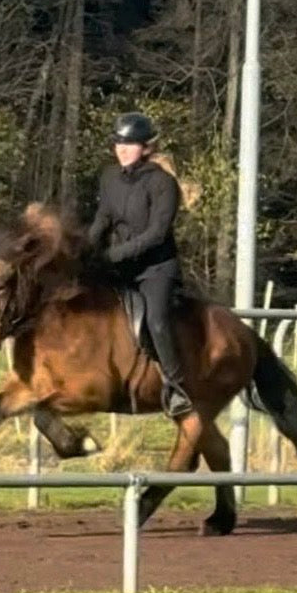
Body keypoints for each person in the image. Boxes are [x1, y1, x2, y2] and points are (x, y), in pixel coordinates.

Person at [88, 111, 194, 418]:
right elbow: (102, 221)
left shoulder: (163, 184)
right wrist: (84, 251)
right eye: (118, 142)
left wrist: (115, 254)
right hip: (119, 265)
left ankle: (177, 388)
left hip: (155, 269)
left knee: (156, 321)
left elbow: (156, 234)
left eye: (130, 143)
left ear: (146, 148)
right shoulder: (109, 178)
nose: (121, 149)